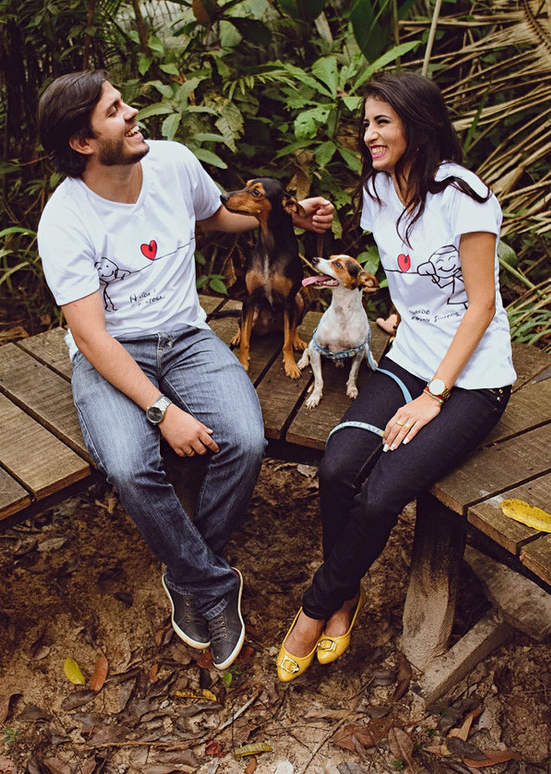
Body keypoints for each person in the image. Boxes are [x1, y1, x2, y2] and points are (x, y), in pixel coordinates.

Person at [35, 70, 334, 670]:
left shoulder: (171, 163)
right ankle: (212, 584)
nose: (132, 111)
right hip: (113, 355)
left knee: (246, 441)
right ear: (83, 143)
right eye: (115, 110)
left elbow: (219, 218)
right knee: (130, 464)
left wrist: (291, 220)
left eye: (124, 100)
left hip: (189, 337)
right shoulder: (65, 220)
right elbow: (91, 336)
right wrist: (162, 411)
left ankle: (187, 570)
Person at [275, 72, 516, 682]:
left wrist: (435, 395)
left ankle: (316, 606)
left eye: (382, 121)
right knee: (336, 465)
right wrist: (397, 312)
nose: (369, 133)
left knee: (382, 491)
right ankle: (347, 594)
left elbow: (481, 304)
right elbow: (399, 273)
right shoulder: (379, 190)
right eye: (366, 122)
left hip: (471, 379)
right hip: (408, 354)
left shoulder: (464, 193)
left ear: (417, 121)